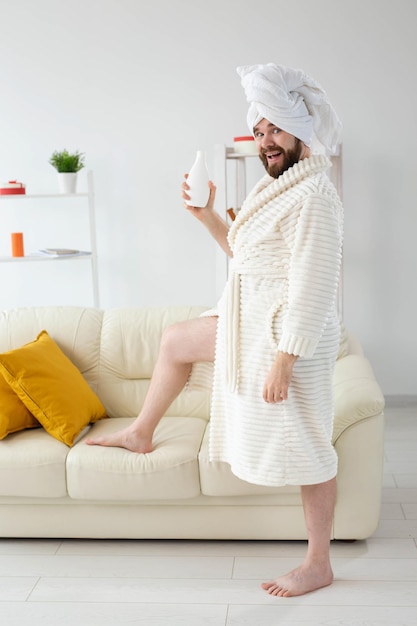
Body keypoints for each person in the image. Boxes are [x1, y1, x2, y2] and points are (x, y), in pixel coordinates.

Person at [87, 62, 343, 598]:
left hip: (286, 334)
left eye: (275, 129)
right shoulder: (274, 187)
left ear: (300, 130)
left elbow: (315, 283)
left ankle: (318, 562)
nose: (265, 140)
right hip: (250, 320)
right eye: (259, 131)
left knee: (309, 445)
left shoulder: (314, 194)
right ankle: (140, 432)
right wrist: (206, 214)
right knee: (177, 339)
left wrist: (285, 358)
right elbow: (243, 255)